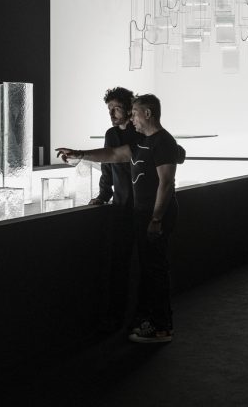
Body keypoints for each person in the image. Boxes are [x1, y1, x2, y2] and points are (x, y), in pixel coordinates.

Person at [56, 94, 179, 343]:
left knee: (155, 270)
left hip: (154, 217)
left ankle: (162, 327)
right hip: (141, 215)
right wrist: (79, 154)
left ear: (148, 113)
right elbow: (112, 155)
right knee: (149, 269)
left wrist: (156, 219)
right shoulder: (141, 143)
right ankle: (152, 322)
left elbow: (166, 183)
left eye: (134, 113)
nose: (132, 118)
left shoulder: (163, 141)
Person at [89, 87, 139, 333]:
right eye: (109, 109)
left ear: (129, 109)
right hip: (121, 207)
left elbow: (116, 157)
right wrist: (102, 195)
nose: (111, 113)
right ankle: (116, 318)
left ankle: (135, 317)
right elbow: (107, 167)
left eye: (116, 108)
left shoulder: (140, 133)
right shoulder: (111, 134)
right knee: (119, 263)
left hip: (141, 207)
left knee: (139, 264)